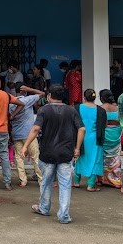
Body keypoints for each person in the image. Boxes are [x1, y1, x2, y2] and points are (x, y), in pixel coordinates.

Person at [22, 84, 84, 224]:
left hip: (47, 152)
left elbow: (36, 128)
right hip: (66, 153)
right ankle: (63, 215)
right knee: (65, 184)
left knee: (46, 182)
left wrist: (25, 146)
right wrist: (77, 148)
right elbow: (82, 129)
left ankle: (44, 208)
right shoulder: (71, 110)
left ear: (49, 96)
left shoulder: (44, 110)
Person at [10, 85, 45, 188]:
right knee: (36, 157)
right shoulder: (28, 99)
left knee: (19, 158)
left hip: (16, 134)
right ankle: (41, 180)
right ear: (24, 91)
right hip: (29, 134)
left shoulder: (10, 103)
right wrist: (30, 89)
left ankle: (23, 181)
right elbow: (42, 94)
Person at [73, 89, 106, 191]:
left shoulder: (77, 108)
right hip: (95, 139)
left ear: (84, 97)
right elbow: (104, 125)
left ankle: (76, 182)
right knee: (95, 160)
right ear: (95, 98)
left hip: (80, 138)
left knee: (79, 158)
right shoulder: (101, 110)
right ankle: (90, 185)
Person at [99, 89, 123, 188]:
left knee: (103, 156)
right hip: (116, 133)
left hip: (105, 133)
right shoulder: (118, 108)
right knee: (115, 155)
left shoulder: (100, 108)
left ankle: (103, 178)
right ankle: (116, 179)